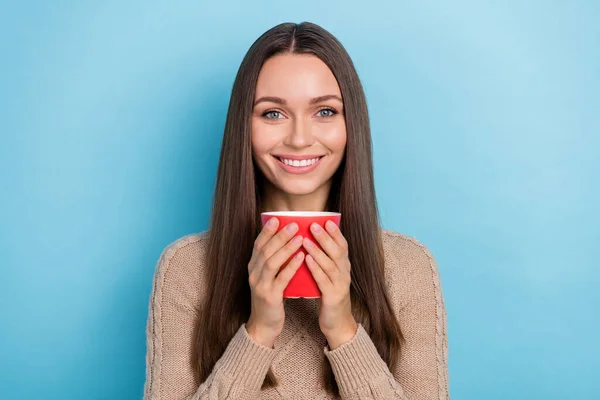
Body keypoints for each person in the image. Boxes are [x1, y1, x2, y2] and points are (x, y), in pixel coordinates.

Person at [143, 21, 449, 400]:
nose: (300, 139)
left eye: (324, 111)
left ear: (351, 124)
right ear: (245, 127)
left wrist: (343, 331)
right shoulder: (187, 268)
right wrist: (257, 333)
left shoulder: (408, 267)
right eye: (273, 113)